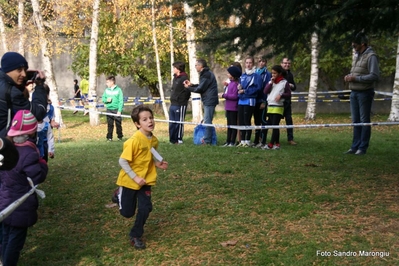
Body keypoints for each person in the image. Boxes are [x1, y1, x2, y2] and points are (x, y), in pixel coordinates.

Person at [115, 105, 168, 250]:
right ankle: (119, 194)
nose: (150, 121)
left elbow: (149, 155)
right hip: (130, 181)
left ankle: (135, 235)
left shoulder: (154, 140)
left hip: (145, 181)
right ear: (137, 124)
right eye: (145, 119)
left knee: (146, 207)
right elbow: (122, 160)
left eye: (151, 118)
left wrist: (158, 163)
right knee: (127, 213)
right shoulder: (134, 140)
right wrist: (135, 177)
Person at [0, 110, 48, 266]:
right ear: (31, 132)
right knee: (15, 242)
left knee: (6, 235)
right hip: (20, 205)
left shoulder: (6, 150)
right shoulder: (28, 153)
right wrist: (42, 163)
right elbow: (38, 176)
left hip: (5, 200)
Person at [344, 32, 380, 155]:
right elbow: (357, 72)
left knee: (364, 121)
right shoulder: (358, 56)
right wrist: (349, 76)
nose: (353, 46)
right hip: (354, 92)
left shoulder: (371, 56)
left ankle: (362, 147)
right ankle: (354, 146)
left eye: (355, 44)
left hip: (365, 92)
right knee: (356, 121)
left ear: (363, 44)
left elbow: (374, 75)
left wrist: (356, 79)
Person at [0, 52, 48, 137]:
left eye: (25, 69)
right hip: (5, 146)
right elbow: (38, 113)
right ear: (8, 70)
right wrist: (40, 85)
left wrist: (23, 81)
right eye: (19, 70)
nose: (24, 74)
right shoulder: (12, 93)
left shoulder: (4, 85)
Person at [184, 59, 219, 145]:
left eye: (196, 65)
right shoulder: (205, 74)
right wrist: (192, 85)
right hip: (208, 99)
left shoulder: (206, 74)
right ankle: (208, 139)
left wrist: (188, 88)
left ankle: (207, 141)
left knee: (207, 121)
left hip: (209, 100)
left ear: (201, 66)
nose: (195, 67)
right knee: (207, 120)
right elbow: (201, 85)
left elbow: (200, 88)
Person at [262, 65, 291, 150]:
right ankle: (277, 142)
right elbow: (265, 91)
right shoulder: (271, 82)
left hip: (278, 106)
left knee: (275, 125)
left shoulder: (284, 82)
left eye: (275, 73)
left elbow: (289, 94)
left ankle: (271, 143)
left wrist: (281, 95)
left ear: (279, 73)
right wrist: (270, 83)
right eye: (272, 73)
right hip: (270, 106)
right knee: (273, 125)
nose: (273, 75)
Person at [237, 56, 263, 147]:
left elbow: (258, 88)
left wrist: (245, 91)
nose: (248, 64)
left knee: (247, 120)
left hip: (250, 100)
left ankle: (247, 140)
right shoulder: (242, 76)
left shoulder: (256, 76)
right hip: (241, 100)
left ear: (253, 64)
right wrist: (239, 88)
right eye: (247, 63)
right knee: (241, 121)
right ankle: (242, 140)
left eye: (250, 63)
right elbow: (240, 86)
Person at [168, 61, 190, 144]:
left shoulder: (184, 78)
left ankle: (179, 139)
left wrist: (182, 100)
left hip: (180, 104)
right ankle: (172, 139)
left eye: (174, 68)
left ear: (179, 69)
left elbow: (187, 91)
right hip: (173, 103)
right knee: (172, 123)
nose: (173, 69)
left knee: (179, 122)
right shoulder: (175, 78)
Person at [219, 66, 241, 146]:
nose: (227, 74)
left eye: (229, 73)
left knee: (233, 125)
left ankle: (232, 141)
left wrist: (224, 95)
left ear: (233, 75)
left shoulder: (236, 84)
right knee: (229, 125)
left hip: (233, 108)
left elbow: (235, 96)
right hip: (228, 107)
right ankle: (228, 140)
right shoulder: (230, 83)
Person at [253, 56, 271, 148]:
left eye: (263, 61)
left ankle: (263, 140)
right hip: (255, 100)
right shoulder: (255, 72)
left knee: (263, 120)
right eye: (260, 61)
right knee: (256, 121)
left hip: (263, 100)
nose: (261, 63)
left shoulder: (267, 74)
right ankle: (256, 140)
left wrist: (264, 101)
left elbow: (267, 88)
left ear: (265, 63)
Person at [102, 75, 124, 141]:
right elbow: (103, 98)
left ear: (112, 82)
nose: (106, 84)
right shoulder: (106, 90)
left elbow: (121, 101)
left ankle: (119, 137)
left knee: (118, 124)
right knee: (110, 124)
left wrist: (119, 110)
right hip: (109, 109)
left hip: (116, 109)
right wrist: (106, 100)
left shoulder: (118, 90)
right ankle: (109, 138)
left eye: (108, 82)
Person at [281, 57, 297, 145]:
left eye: (288, 63)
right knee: (272, 121)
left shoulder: (290, 75)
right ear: (281, 64)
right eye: (285, 63)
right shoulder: (278, 74)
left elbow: (295, 87)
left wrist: (291, 86)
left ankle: (290, 139)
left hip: (287, 102)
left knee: (289, 119)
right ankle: (265, 138)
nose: (287, 65)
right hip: (278, 102)